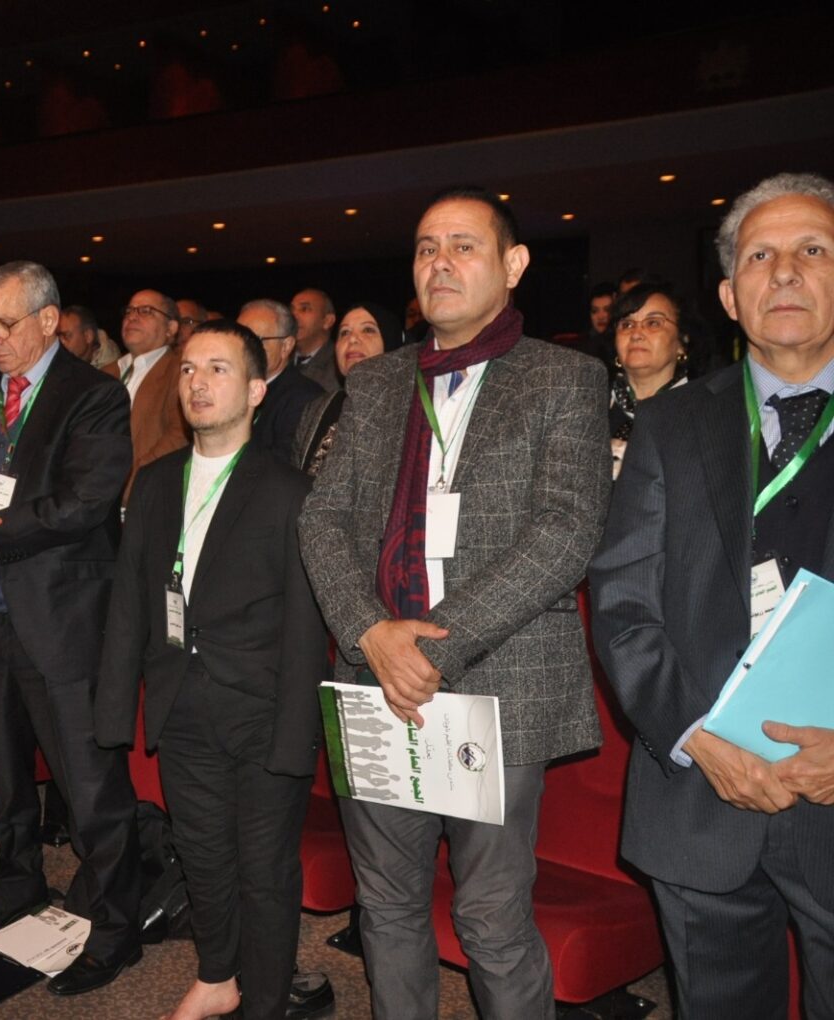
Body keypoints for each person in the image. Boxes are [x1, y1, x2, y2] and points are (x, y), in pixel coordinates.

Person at [299, 186, 610, 1019]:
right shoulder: (376, 383)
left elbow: (565, 532)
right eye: (426, 247)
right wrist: (370, 634)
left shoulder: (565, 377)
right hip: (374, 682)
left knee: (491, 919)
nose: (440, 262)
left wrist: (431, 646)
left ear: (513, 265)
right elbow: (321, 519)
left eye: (464, 246)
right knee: (386, 906)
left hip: (498, 682)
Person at [589, 171, 834, 1018]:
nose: (786, 271)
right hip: (699, 795)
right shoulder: (671, 423)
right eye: (760, 256)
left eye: (813, 249)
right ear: (729, 297)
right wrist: (698, 737)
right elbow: (623, 606)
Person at [96, 321, 329, 1020]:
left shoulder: (290, 491)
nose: (198, 382)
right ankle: (218, 974)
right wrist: (115, 710)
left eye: (218, 369)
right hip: (181, 705)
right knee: (201, 856)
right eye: (189, 369)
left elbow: (306, 627)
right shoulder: (156, 482)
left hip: (262, 713)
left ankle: (265, 1002)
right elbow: (130, 603)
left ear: (256, 390)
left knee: (264, 870)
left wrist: (297, 737)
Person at [0, 260, 142, 996]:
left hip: (63, 621)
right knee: (7, 773)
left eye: (6, 323)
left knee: (90, 787)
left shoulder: (94, 395)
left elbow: (82, 503)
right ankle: (17, 886)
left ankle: (115, 929)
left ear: (49, 321)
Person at [293, 302, 407, 476]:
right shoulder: (317, 408)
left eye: (368, 330)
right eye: (344, 332)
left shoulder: (407, 409)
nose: (352, 339)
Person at [606, 281, 692, 477]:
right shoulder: (590, 407)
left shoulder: (703, 414)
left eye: (653, 323)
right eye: (627, 325)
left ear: (681, 342)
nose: (636, 334)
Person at [112, 289, 189, 501]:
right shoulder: (106, 373)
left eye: (146, 311)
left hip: (145, 494)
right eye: (129, 311)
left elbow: (180, 434)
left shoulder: (181, 371)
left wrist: (135, 478)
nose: (132, 317)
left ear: (171, 328)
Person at [237, 298, 324, 457]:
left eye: (254, 340)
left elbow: (284, 464)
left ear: (286, 346)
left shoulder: (305, 399)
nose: (242, 348)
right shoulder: (227, 388)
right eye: (237, 338)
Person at [291, 287, 340, 393]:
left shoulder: (340, 366)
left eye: (304, 309)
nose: (293, 316)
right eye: (291, 310)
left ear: (327, 321)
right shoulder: (279, 359)